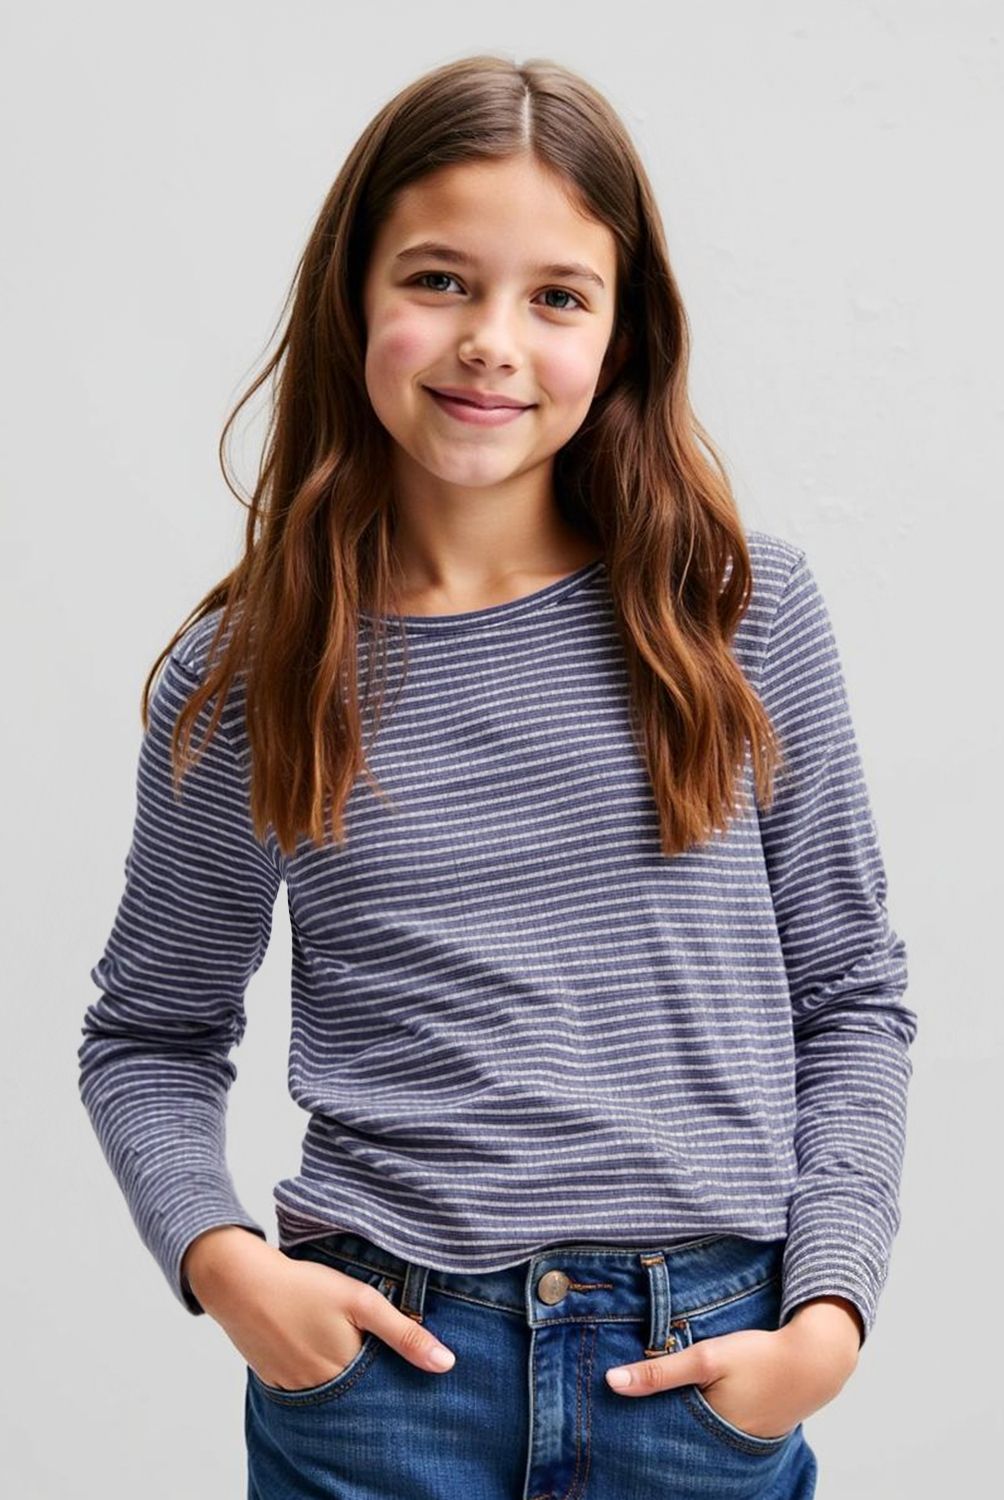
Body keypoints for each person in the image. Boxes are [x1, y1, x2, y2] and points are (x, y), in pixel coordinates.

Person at [78, 52, 917, 1499]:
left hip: (701, 1371)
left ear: (623, 332)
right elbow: (150, 1031)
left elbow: (850, 994)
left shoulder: (739, 615)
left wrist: (829, 1316)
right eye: (440, 281)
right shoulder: (258, 670)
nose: (493, 343)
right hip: (386, 1385)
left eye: (557, 297)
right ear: (353, 299)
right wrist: (226, 1266)